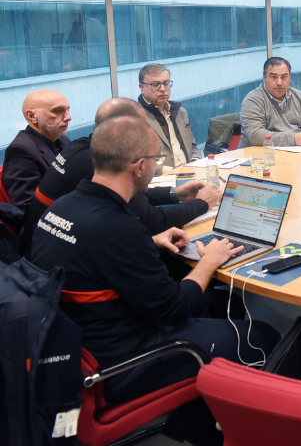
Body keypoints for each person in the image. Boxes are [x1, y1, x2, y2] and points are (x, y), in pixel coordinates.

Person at [30, 116, 279, 403]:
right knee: (263, 334)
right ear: (138, 167)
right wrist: (209, 262)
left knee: (225, 305)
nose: (156, 164)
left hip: (74, 345)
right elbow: (176, 309)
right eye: (156, 158)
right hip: (120, 364)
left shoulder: (64, 206)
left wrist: (147, 243)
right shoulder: (119, 228)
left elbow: (90, 258)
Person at [18, 98, 222, 258]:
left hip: (49, 246)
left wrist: (172, 194)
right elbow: (151, 220)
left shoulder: (82, 147)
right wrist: (202, 204)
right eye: (141, 127)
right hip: (60, 258)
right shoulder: (103, 162)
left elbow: (130, 197)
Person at [2, 90, 72, 210]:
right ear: (32, 116)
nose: (68, 117)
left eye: (67, 110)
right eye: (58, 111)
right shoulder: (20, 151)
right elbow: (29, 208)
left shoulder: (62, 139)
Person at [238, 57, 301, 148]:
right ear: (264, 77)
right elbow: (256, 135)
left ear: (290, 78)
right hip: (259, 157)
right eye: (274, 77)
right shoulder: (252, 100)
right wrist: (293, 139)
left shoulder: (298, 96)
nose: (279, 82)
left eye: (284, 77)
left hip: (294, 155)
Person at [137, 63, 202, 174]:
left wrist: (195, 163)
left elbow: (192, 146)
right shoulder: (136, 118)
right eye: (155, 84)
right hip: (160, 181)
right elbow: (139, 161)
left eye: (166, 83)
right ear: (142, 87)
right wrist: (174, 172)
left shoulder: (180, 112)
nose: (163, 89)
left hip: (190, 174)